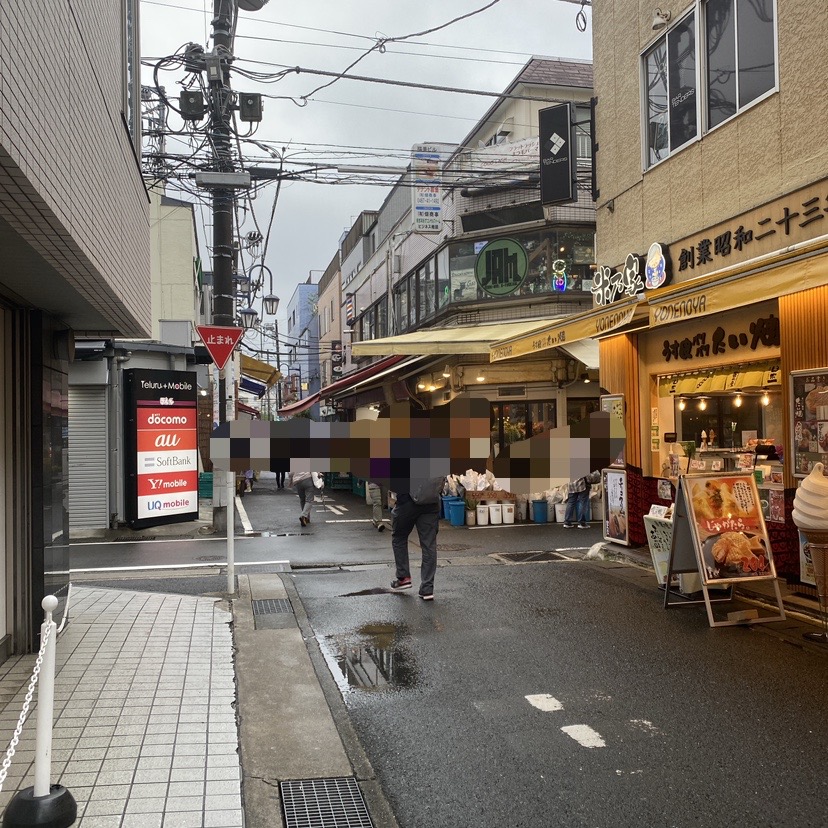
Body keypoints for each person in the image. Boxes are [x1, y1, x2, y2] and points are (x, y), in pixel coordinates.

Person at [390, 475, 445, 601]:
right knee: (429, 546)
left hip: (407, 502)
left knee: (399, 537)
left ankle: (403, 578)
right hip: (431, 502)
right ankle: (427, 588)